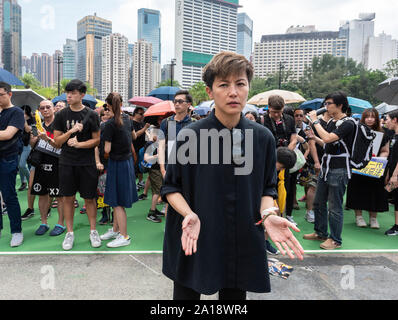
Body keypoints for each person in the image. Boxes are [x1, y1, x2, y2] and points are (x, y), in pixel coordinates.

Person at [160, 52, 304, 301]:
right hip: (194, 234)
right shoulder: (190, 135)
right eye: (224, 85)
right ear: (210, 91)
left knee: (234, 298)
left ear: (248, 88)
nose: (233, 92)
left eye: (240, 84)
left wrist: (269, 215)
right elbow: (171, 187)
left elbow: (267, 189)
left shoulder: (261, 138)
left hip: (240, 236)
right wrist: (189, 214)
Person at [53, 79, 101, 251]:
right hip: (66, 162)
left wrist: (79, 144)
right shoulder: (61, 115)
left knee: (89, 198)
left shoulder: (92, 115)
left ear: (82, 94)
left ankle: (93, 230)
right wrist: (71, 132)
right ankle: (70, 233)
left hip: (87, 163)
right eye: (68, 93)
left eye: (73, 93)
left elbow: (97, 140)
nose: (69, 96)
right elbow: (57, 142)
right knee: (67, 198)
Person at [304, 92, 355, 250]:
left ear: (340, 105)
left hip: (339, 169)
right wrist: (313, 137)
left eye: (329, 103)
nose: (326, 107)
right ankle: (320, 232)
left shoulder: (349, 123)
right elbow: (327, 144)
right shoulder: (333, 121)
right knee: (319, 202)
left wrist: (315, 121)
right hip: (327, 167)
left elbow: (328, 138)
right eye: (325, 104)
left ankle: (335, 240)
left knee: (335, 206)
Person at [99, 93, 138, 248]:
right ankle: (116, 230)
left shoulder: (109, 125)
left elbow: (107, 149)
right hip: (127, 162)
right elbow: (134, 137)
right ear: (121, 103)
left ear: (108, 105)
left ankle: (124, 235)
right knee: (116, 199)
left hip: (117, 163)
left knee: (117, 202)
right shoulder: (128, 119)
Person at [346, 109, 389, 229]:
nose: (370, 119)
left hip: (375, 167)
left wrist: (379, 158)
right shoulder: (356, 131)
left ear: (376, 119)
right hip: (359, 166)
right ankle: (358, 217)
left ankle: (373, 218)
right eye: (367, 117)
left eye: (373, 117)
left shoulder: (383, 133)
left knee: (375, 191)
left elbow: (385, 151)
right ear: (363, 118)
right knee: (357, 190)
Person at [30, 100, 66, 236]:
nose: (45, 110)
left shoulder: (60, 125)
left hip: (57, 164)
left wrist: (47, 138)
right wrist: (35, 137)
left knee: (59, 196)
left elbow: (62, 144)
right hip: (40, 163)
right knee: (42, 194)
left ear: (54, 109)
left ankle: (60, 223)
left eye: (48, 107)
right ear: (39, 110)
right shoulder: (36, 126)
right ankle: (43, 222)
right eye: (42, 108)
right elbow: (32, 143)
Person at [0, 81, 25, 247]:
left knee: (9, 196)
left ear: (9, 94)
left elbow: (8, 134)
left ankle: (16, 231)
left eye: (1, 95)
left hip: (7, 158)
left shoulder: (16, 112)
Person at [144, 125, 164, 223]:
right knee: (157, 191)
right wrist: (157, 155)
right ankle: (151, 213)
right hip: (154, 169)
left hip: (158, 169)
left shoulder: (157, 143)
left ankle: (154, 209)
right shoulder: (150, 144)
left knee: (157, 190)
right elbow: (146, 158)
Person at [383, 110, 398, 236]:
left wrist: (395, 175)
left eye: (387, 119)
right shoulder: (394, 136)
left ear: (394, 120)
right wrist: (389, 173)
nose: (385, 121)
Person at [131, 106, 150, 191]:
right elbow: (135, 135)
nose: (142, 116)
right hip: (134, 148)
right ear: (135, 114)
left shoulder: (142, 123)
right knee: (134, 167)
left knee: (140, 166)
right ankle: (133, 183)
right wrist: (145, 128)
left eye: (143, 114)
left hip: (143, 148)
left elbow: (145, 133)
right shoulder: (132, 123)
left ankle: (141, 181)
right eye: (140, 114)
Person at [18, 105, 34, 191]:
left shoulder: (32, 120)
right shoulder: (18, 120)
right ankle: (23, 182)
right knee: (20, 165)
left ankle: (30, 182)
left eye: (24, 112)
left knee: (22, 164)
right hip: (18, 144)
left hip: (27, 145)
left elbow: (28, 130)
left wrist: (23, 120)